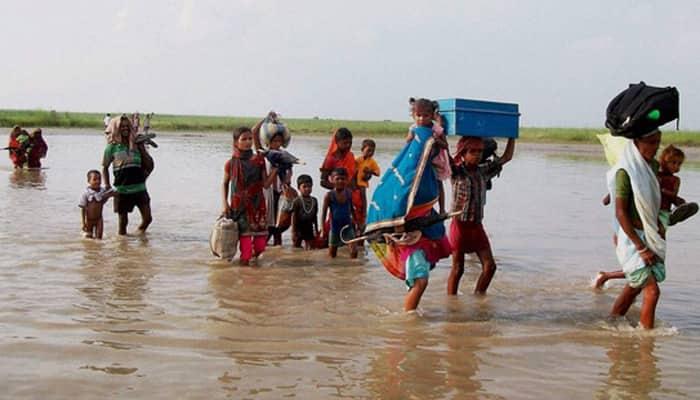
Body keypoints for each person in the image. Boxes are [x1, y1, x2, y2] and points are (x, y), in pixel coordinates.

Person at [364, 98, 452, 312]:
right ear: (413, 116)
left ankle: (409, 312)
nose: (422, 119)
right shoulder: (416, 138)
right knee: (421, 282)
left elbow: (438, 176)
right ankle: (409, 321)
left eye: (426, 116)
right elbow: (409, 154)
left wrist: (441, 209)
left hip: (420, 235)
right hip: (410, 241)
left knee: (418, 281)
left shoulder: (428, 182)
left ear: (432, 116)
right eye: (418, 115)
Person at [595, 143, 696, 288]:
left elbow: (673, 195)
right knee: (643, 262)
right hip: (649, 214)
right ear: (662, 160)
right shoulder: (652, 174)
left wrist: (678, 201)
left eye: (679, 164)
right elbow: (630, 187)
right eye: (672, 162)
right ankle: (608, 276)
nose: (676, 167)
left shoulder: (674, 180)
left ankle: (608, 277)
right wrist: (610, 196)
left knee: (652, 257)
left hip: (663, 213)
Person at [605, 129, 666, 329]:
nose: (655, 147)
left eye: (658, 142)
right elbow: (621, 213)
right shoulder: (625, 171)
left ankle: (612, 322)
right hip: (631, 239)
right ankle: (646, 342)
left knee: (634, 287)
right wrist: (641, 247)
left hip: (649, 232)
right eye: (650, 142)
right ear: (636, 143)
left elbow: (652, 196)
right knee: (652, 291)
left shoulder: (653, 167)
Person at [448, 135, 515, 295]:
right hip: (460, 226)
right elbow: (444, 156)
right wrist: (440, 131)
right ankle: (452, 304)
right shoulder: (456, 171)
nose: (477, 154)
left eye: (479, 151)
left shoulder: (483, 172)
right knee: (458, 269)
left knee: (490, 266)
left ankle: (479, 295)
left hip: (476, 226)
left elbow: (506, 157)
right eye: (472, 151)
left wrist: (512, 136)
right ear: (463, 153)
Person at [221, 126, 279, 265]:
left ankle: (250, 267)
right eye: (244, 139)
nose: (248, 142)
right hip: (239, 208)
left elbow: (265, 184)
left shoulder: (259, 160)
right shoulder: (231, 163)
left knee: (260, 247)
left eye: (250, 139)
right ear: (236, 142)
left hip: (258, 206)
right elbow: (224, 183)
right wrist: (225, 204)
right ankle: (246, 276)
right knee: (246, 251)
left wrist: (276, 170)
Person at [102, 115, 154, 235]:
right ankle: (122, 245)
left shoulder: (136, 144)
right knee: (123, 223)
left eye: (127, 126)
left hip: (140, 188)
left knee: (147, 219)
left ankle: (139, 234)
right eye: (122, 127)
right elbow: (104, 167)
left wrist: (141, 148)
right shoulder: (112, 147)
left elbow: (150, 165)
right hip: (122, 189)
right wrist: (107, 185)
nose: (125, 129)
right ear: (116, 128)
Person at [321, 168, 358, 258]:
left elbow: (351, 209)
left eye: (343, 179)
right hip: (335, 228)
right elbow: (324, 213)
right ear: (332, 180)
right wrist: (322, 230)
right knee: (332, 255)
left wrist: (357, 223)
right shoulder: (329, 195)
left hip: (347, 226)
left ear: (347, 180)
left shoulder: (349, 193)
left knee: (354, 252)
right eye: (337, 179)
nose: (340, 181)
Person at [79, 170, 116, 239]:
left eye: (99, 179)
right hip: (89, 219)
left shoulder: (102, 191)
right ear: (89, 181)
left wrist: (111, 194)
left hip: (99, 219)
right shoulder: (86, 194)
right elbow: (83, 209)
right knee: (88, 238)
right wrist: (83, 223)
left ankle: (98, 249)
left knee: (99, 239)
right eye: (94, 179)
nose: (98, 181)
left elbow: (105, 199)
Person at [355, 139, 381, 235]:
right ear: (362, 149)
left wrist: (370, 171)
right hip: (355, 183)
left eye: (372, 151)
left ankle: (364, 212)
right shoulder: (358, 160)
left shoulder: (372, 162)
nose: (371, 153)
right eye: (369, 150)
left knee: (363, 196)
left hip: (362, 183)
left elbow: (378, 172)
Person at [291, 174, 319, 249]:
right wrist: (293, 232)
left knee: (311, 248)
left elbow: (315, 216)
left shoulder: (314, 201)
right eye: (304, 187)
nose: (307, 189)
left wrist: (316, 230)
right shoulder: (297, 201)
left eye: (309, 186)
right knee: (296, 249)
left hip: (309, 228)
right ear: (298, 188)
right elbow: (293, 216)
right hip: (298, 229)